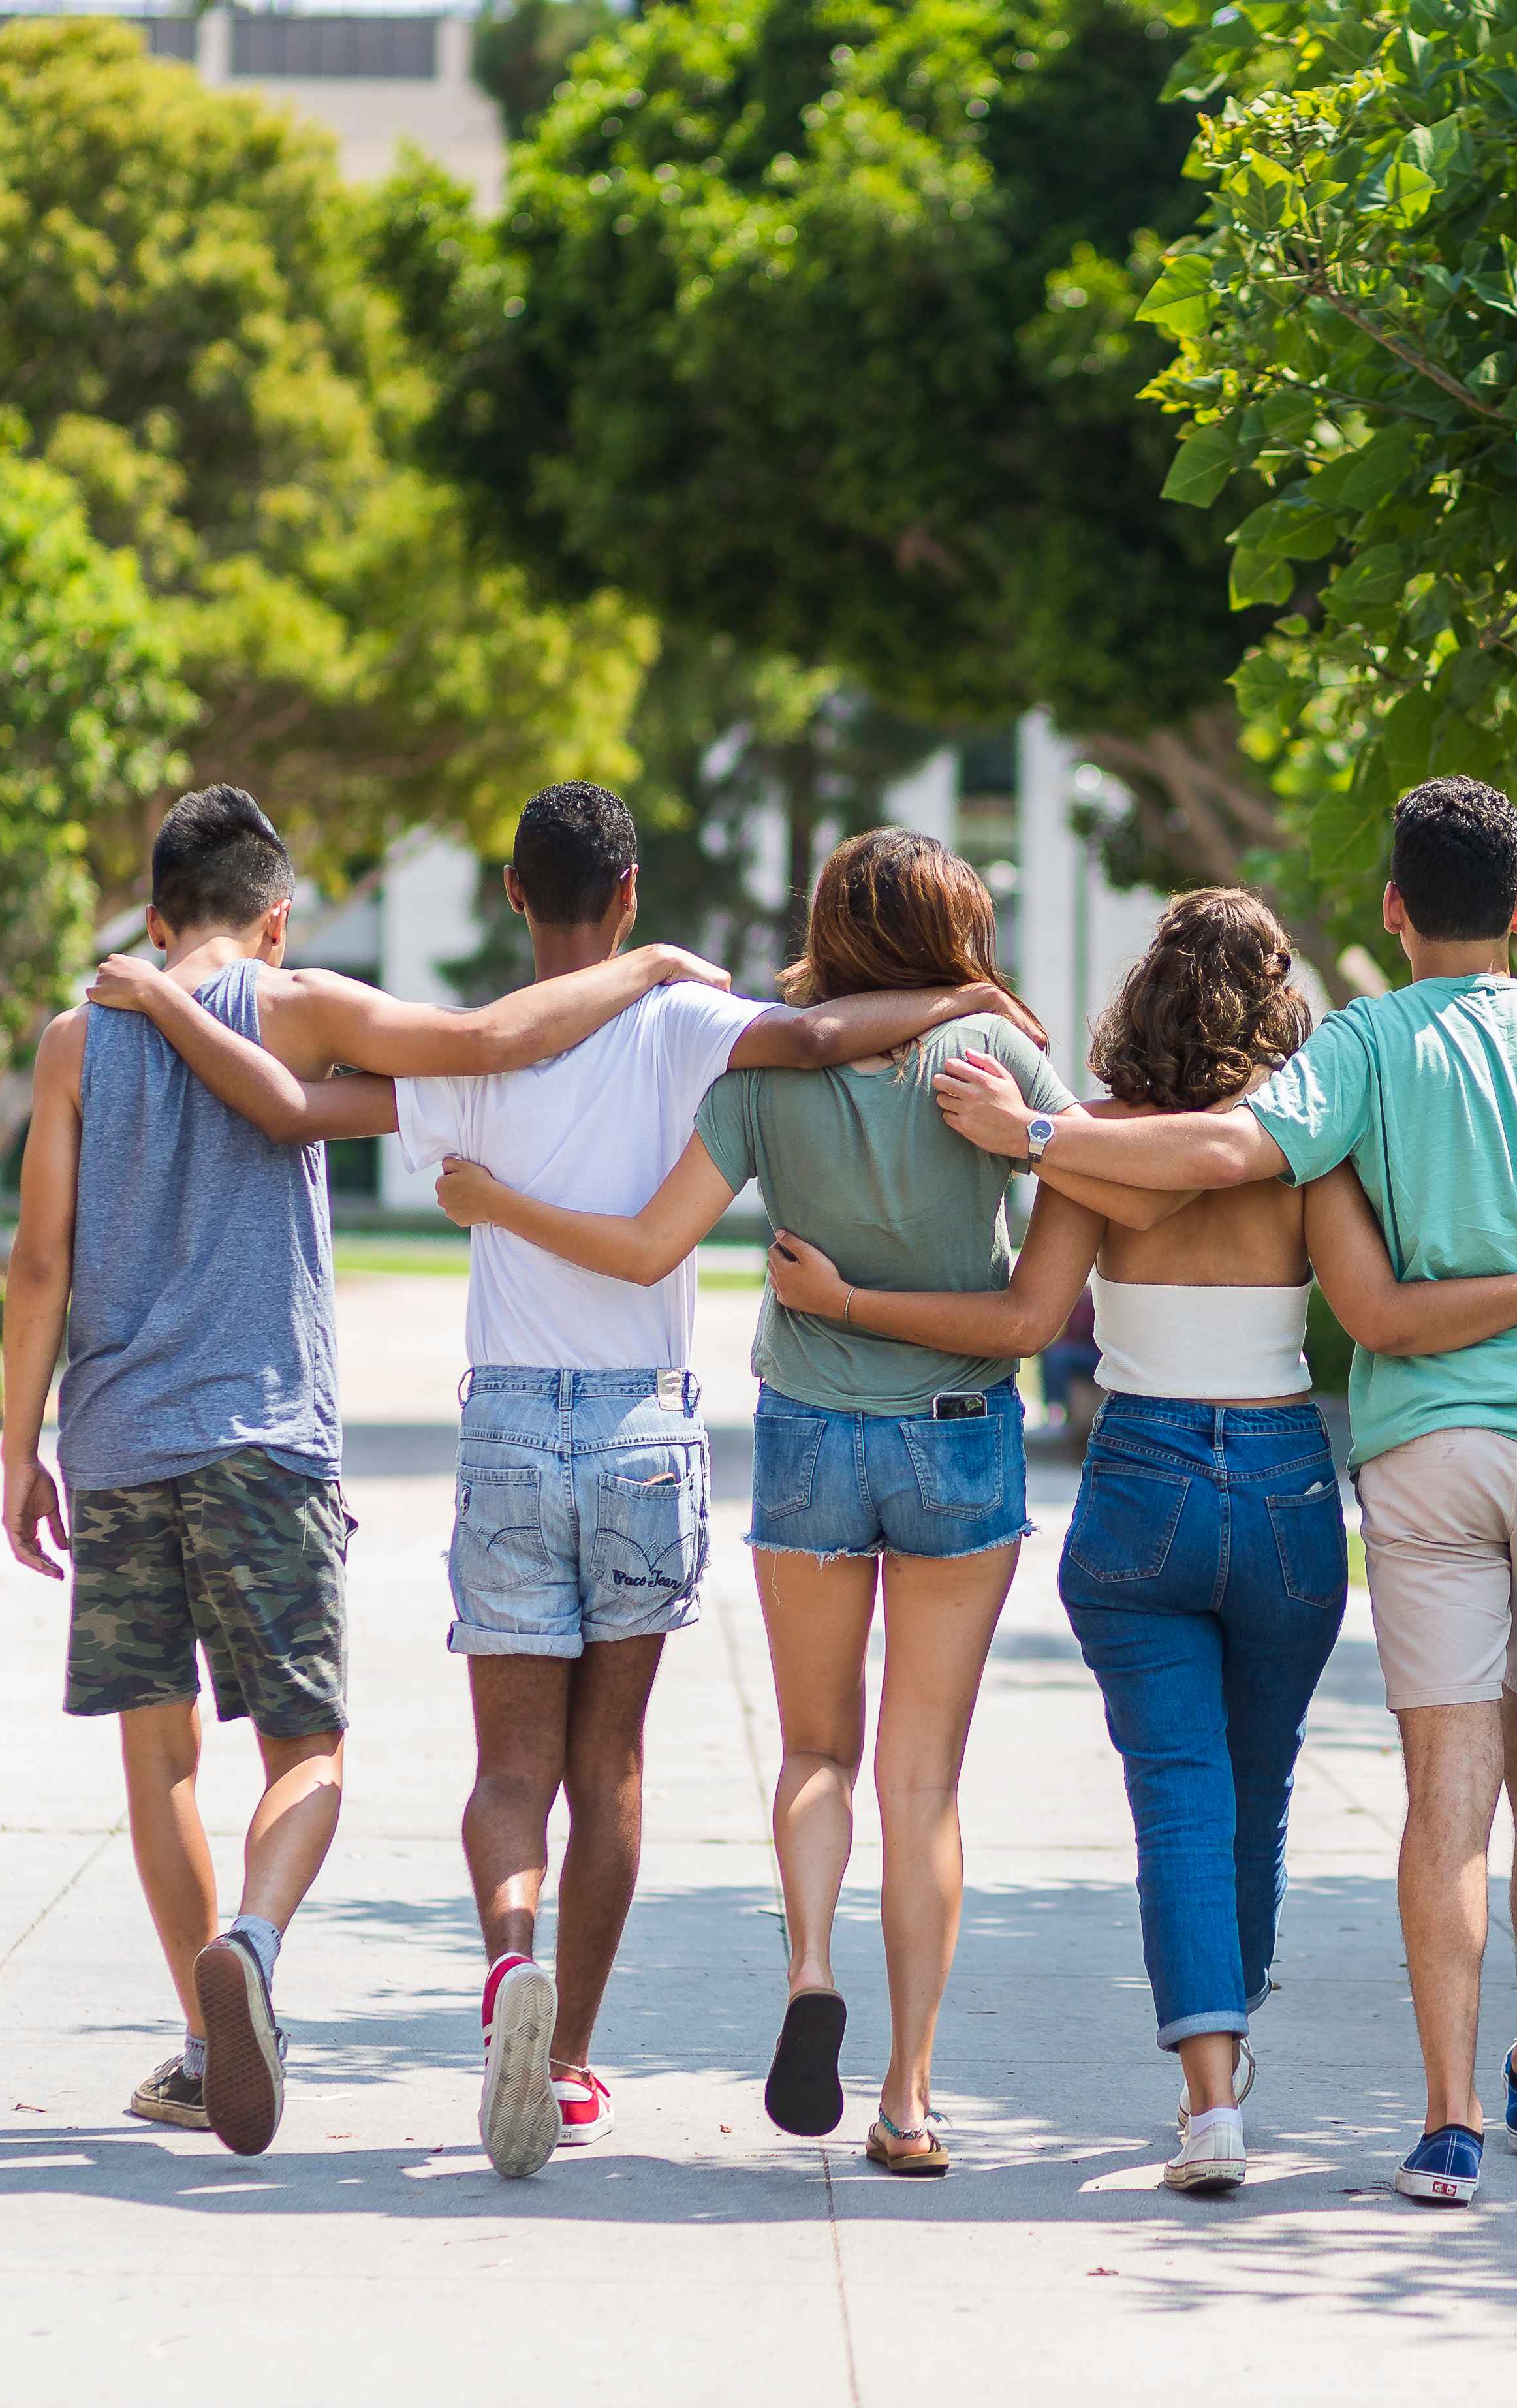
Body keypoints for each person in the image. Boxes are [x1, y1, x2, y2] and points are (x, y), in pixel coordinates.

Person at [82, 782, 1043, 2179]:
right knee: (614, 1767)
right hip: (648, 1436)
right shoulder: (688, 1022)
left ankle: (508, 1968)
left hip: (513, 1433)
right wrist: (971, 1000)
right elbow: (829, 1029)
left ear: (515, 898)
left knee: (512, 1768)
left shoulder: (468, 1046)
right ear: (633, 894)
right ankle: (575, 2061)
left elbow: (290, 1109)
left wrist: (168, 1008)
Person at [766, 886, 1517, 2194]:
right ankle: (1232, 2048)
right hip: (1283, 1487)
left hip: (1144, 1482)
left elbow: (1018, 1323)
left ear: (1141, 1001)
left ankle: (1210, 2101)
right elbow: (1380, 1316)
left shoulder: (1094, 1147)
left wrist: (842, 1302)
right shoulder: (1303, 1157)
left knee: (1177, 1795)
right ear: (1278, 1009)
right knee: (1258, 1785)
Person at [935, 779, 1517, 2208]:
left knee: (1292, 1793)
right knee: (1473, 1775)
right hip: (1394, 1465)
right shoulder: (1505, 1085)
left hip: (1246, 1472)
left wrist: (1008, 1160)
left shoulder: (1210, 1113)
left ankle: (1315, 2104)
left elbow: (1069, 1302)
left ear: (1398, 907)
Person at [1, 785, 732, 2159]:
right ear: (276, 918)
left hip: (109, 1438)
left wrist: (16, 1448)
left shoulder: (69, 1041)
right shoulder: (298, 999)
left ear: (154, 918)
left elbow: (39, 1259)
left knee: (159, 1760)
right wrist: (647, 962)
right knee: (308, 1748)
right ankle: (256, 1945)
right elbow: (490, 1038)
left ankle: (213, 2039)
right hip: (264, 1432)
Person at [436, 828, 1177, 2177]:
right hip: (959, 1440)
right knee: (926, 1779)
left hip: (813, 1437)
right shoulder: (997, 1058)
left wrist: (497, 1206)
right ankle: (906, 2098)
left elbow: (652, 1246)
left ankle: (814, 1966)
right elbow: (1073, 1244)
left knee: (818, 1755)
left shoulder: (762, 1070)